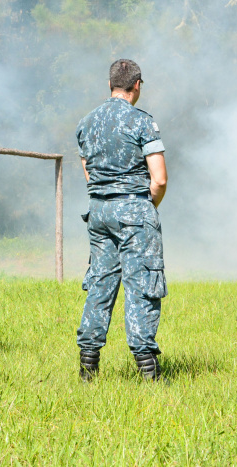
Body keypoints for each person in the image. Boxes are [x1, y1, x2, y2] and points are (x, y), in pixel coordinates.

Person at [76, 58, 168, 382]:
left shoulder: (86, 123)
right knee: (142, 284)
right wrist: (144, 208)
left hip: (98, 212)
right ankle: (147, 370)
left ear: (111, 84)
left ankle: (88, 366)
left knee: (100, 283)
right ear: (137, 85)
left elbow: (88, 172)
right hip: (134, 211)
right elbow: (159, 179)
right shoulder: (142, 122)